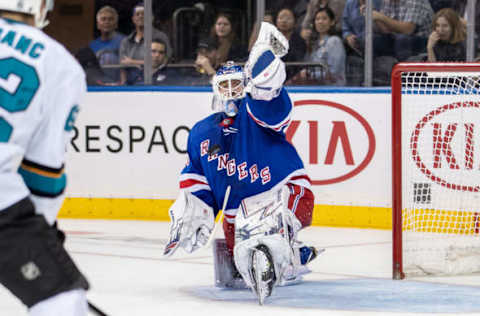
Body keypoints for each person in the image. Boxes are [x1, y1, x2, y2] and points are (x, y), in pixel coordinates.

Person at [164, 22, 318, 304]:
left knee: (265, 231)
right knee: (239, 258)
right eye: (226, 85)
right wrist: (193, 209)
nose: (232, 91)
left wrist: (262, 63)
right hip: (238, 214)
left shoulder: (257, 112)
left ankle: (288, 253)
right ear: (216, 89)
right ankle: (294, 256)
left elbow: (273, 104)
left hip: (285, 192)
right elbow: (197, 176)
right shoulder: (201, 133)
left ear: (247, 86)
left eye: (238, 84)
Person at [0, 1, 90, 315]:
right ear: (39, 6)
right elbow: (42, 171)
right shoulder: (59, 63)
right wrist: (42, 228)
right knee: (62, 301)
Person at [119, 2, 172, 77]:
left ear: (152, 18)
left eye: (144, 14)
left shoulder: (161, 37)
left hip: (154, 80)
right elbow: (123, 65)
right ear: (133, 19)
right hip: (131, 84)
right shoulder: (126, 41)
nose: (140, 16)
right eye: (137, 14)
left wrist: (132, 62)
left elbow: (165, 61)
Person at [298, 7, 346, 85]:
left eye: (324, 18)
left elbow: (334, 72)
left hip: (333, 90)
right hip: (315, 88)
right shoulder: (314, 44)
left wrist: (310, 74)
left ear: (332, 22)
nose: (320, 22)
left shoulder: (334, 41)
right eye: (317, 19)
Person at [89, 5, 126, 84]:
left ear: (116, 24)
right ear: (98, 25)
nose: (107, 22)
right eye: (103, 19)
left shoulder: (125, 42)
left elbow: (128, 67)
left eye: (110, 19)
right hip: (99, 87)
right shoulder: (92, 46)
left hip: (121, 87)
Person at [275, 7, 307, 80]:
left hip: (293, 79)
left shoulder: (299, 41)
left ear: (295, 22)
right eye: (281, 18)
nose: (284, 21)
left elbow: (298, 60)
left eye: (288, 18)